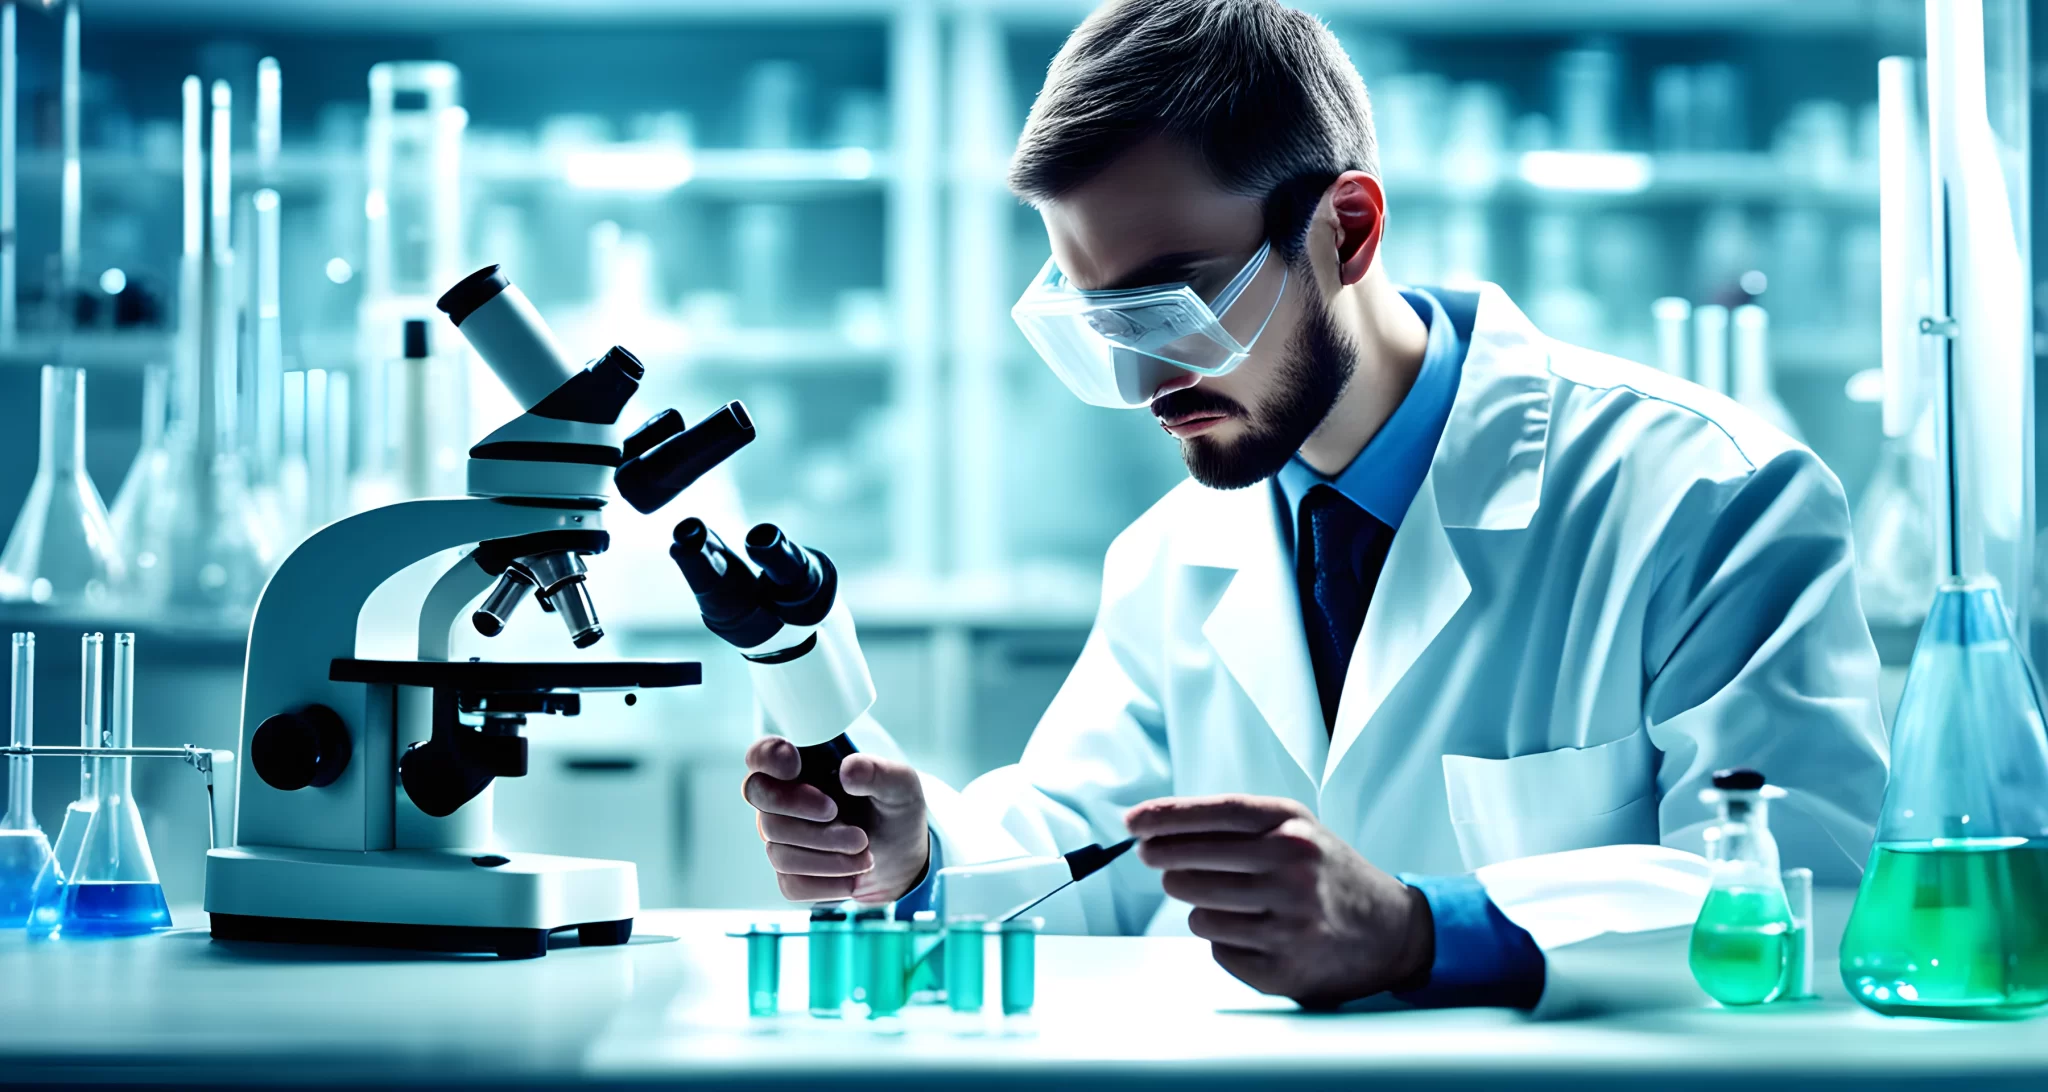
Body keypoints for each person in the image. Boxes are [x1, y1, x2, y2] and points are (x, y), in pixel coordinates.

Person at [740, 0, 1887, 1014]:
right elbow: (1078, 856)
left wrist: (1418, 930)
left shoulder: (1708, 497)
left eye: (1179, 301)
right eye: (1105, 322)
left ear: (1345, 229)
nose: (1144, 384)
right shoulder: (1171, 555)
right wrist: (918, 854)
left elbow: (1807, 896)